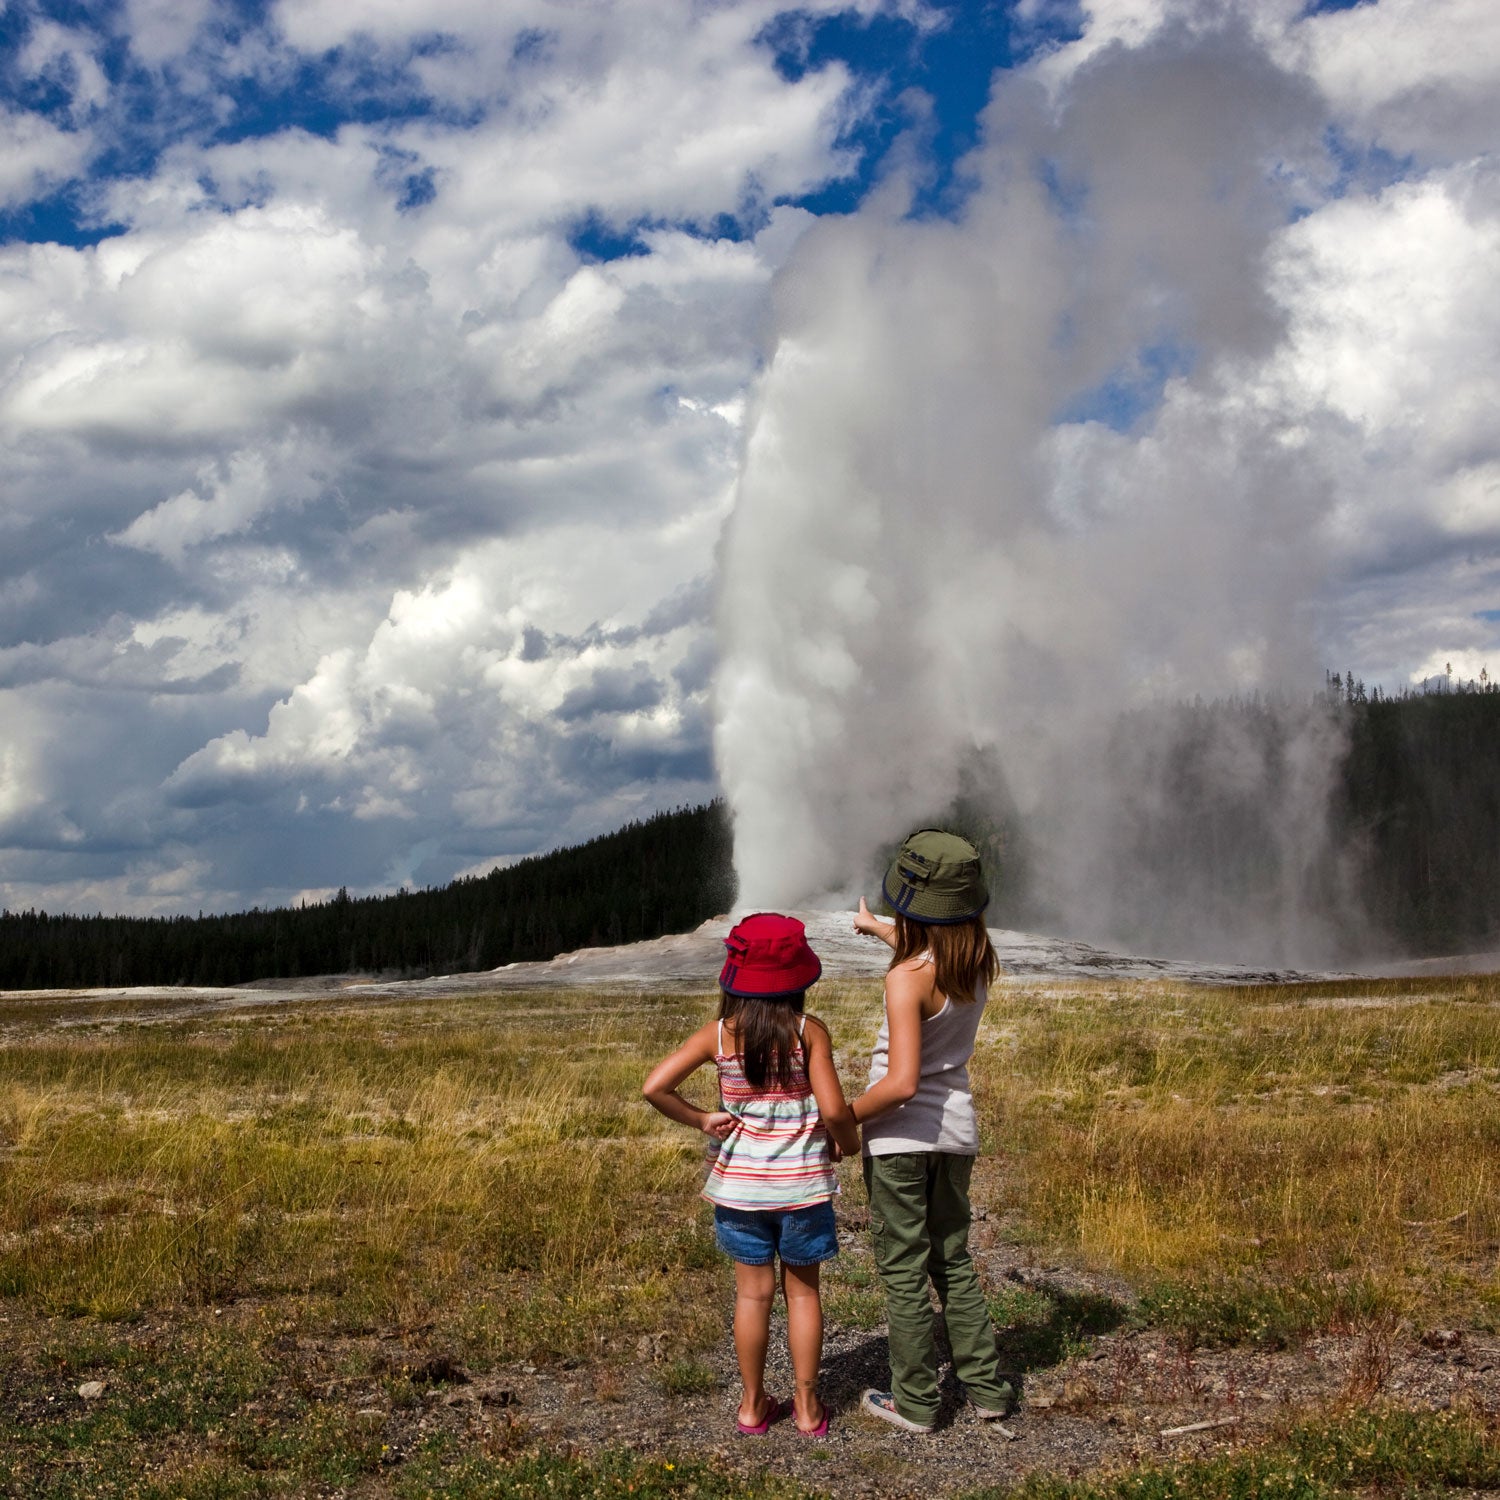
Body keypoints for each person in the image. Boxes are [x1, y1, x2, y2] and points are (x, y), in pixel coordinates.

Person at [643, 912, 860, 1437]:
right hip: (804, 1188)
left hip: (739, 1191)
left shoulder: (717, 1035)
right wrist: (847, 1143)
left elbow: (655, 1087)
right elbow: (834, 1111)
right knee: (803, 1294)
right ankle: (808, 1409)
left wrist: (700, 1118)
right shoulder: (809, 1033)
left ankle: (752, 1404)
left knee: (752, 1296)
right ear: (798, 980)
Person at [849, 829, 1016, 1434]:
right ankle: (987, 1389)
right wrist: (878, 932)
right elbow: (925, 951)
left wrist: (840, 1115)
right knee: (953, 1259)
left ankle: (916, 1402)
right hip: (954, 1136)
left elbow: (899, 1084)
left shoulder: (905, 979)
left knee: (903, 1268)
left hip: (898, 1141)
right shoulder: (976, 963)